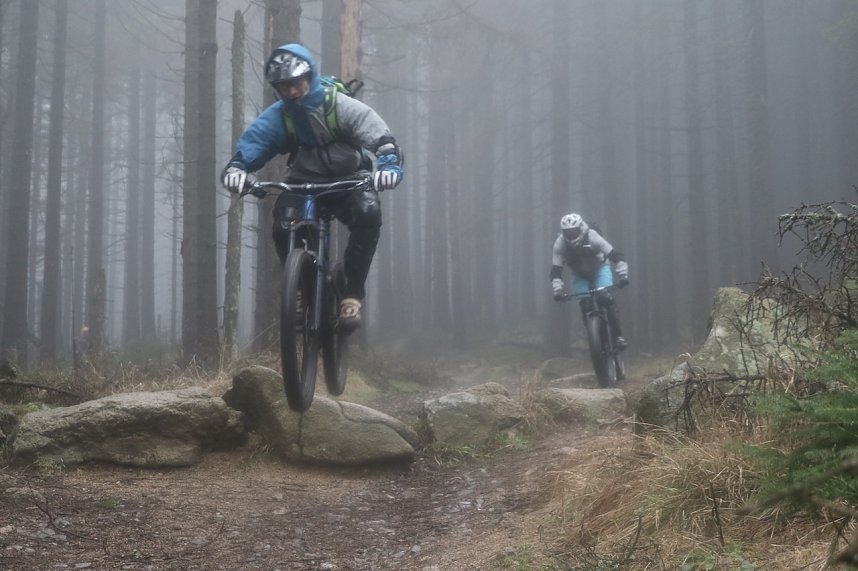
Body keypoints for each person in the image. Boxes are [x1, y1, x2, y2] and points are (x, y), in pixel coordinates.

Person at [221, 43, 404, 331]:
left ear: (310, 76)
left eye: (296, 83)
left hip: (350, 179)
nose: (291, 91)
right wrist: (236, 170)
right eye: (284, 87)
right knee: (283, 224)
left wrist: (389, 165)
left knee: (368, 214)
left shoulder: (338, 105)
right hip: (304, 182)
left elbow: (378, 134)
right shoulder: (281, 116)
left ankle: (351, 296)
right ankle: (300, 289)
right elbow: (254, 144)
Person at [550, 213, 629, 349]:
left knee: (605, 297)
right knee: (585, 305)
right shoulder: (560, 244)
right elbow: (556, 270)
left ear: (580, 228)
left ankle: (617, 336)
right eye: (567, 233)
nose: (571, 235)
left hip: (600, 268)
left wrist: (622, 275)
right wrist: (558, 290)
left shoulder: (592, 236)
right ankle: (594, 339)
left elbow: (614, 255)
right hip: (580, 275)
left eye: (573, 231)